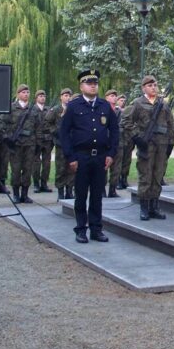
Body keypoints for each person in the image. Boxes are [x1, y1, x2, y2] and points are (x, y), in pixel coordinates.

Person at [59, 69, 119, 244]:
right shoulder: (74, 106)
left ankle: (96, 229)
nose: (93, 86)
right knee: (81, 194)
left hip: (100, 157)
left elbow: (114, 131)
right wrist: (71, 157)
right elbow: (64, 133)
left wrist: (111, 153)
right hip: (81, 157)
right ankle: (80, 229)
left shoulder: (104, 105)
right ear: (81, 86)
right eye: (89, 83)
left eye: (95, 83)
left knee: (97, 196)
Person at [121, 75, 174, 221]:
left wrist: (170, 143)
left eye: (155, 85)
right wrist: (137, 137)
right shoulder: (138, 103)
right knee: (145, 176)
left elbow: (170, 125)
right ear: (144, 88)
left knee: (158, 176)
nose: (153, 87)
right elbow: (126, 121)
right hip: (147, 145)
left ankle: (154, 206)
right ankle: (144, 207)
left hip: (161, 145)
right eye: (150, 85)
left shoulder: (163, 104)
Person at [0, 84, 39, 203]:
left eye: (27, 92)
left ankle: (25, 194)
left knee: (28, 169)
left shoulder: (33, 109)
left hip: (30, 144)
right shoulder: (11, 108)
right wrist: (7, 138)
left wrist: (37, 143)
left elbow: (38, 127)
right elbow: (1, 124)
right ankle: (16, 194)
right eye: (23, 92)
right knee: (16, 170)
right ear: (18, 94)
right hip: (15, 145)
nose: (26, 94)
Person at [46, 88, 75, 200]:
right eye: (65, 95)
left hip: (73, 143)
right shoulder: (56, 110)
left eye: (69, 95)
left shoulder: (74, 109)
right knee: (61, 168)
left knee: (71, 168)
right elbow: (47, 122)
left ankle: (69, 191)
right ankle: (60, 191)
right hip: (61, 144)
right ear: (61, 97)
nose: (67, 97)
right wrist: (56, 132)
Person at [32, 89, 53, 193]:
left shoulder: (49, 110)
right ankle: (36, 184)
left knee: (46, 163)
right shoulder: (32, 110)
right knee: (36, 163)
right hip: (36, 140)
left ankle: (44, 183)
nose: (42, 97)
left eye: (44, 96)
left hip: (48, 140)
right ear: (36, 98)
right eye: (40, 96)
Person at [103, 88, 122, 198]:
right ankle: (102, 189)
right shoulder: (102, 109)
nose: (114, 97)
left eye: (115, 96)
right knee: (103, 167)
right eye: (111, 96)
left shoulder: (119, 111)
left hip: (117, 143)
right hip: (104, 143)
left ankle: (112, 190)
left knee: (116, 168)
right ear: (106, 98)